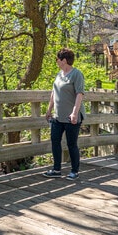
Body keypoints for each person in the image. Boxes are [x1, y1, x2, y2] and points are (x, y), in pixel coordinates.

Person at [43, 48, 85, 180]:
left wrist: (74, 113)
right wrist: (49, 109)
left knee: (71, 143)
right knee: (55, 140)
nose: (56, 61)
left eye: (58, 59)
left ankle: (74, 171)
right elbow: (54, 92)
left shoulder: (76, 74)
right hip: (57, 116)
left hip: (71, 116)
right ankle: (56, 169)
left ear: (64, 60)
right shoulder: (59, 74)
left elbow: (79, 94)